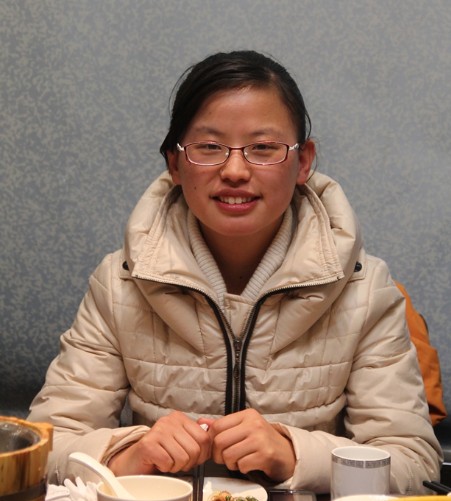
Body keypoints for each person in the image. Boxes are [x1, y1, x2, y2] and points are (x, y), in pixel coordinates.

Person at [28, 50, 442, 494]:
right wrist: (128, 456)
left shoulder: (364, 288)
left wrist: (293, 455)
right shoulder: (120, 282)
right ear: (174, 164)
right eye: (209, 148)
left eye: (263, 148)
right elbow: (43, 448)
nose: (235, 171)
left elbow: (415, 466)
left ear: (303, 162)